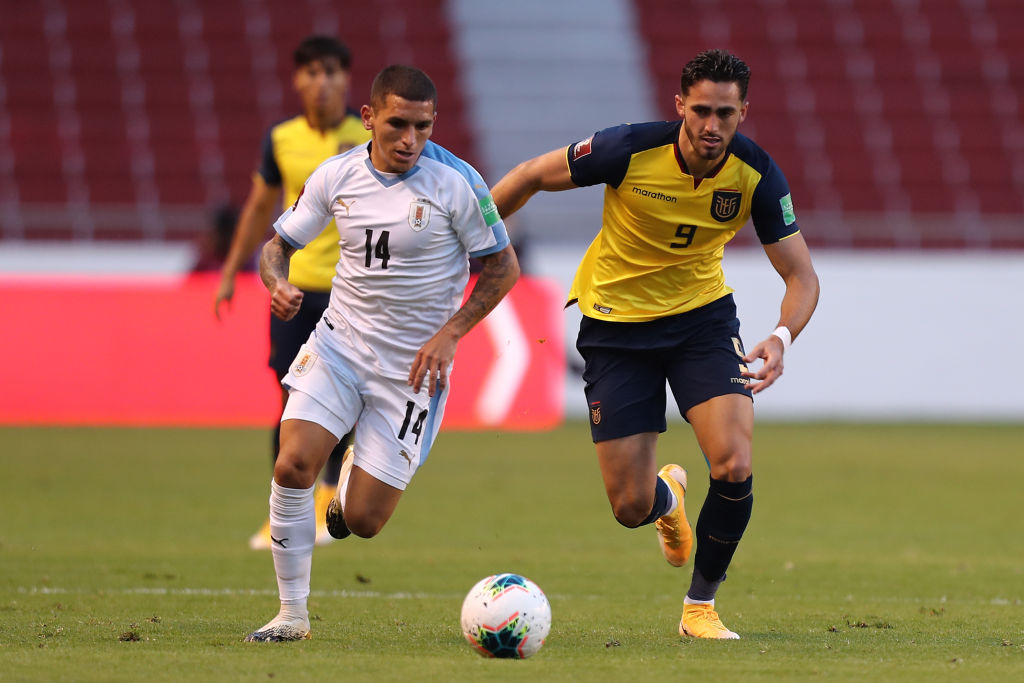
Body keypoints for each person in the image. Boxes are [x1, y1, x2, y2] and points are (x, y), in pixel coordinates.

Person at [490, 49, 819, 640]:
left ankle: (700, 607)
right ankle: (668, 500)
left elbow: (802, 277)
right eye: (700, 111)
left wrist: (781, 335)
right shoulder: (627, 149)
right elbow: (533, 176)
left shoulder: (757, 175)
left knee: (735, 462)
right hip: (616, 329)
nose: (711, 127)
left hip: (702, 324)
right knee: (628, 507)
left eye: (725, 113)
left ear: (743, 111)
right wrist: (477, 236)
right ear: (679, 107)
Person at [244, 64, 520, 642]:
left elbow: (502, 267)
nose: (409, 140)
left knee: (364, 522)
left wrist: (452, 332)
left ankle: (351, 488)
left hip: (412, 372)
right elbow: (277, 247)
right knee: (292, 463)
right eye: (397, 124)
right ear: (368, 117)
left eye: (422, 127)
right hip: (340, 343)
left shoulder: (457, 183)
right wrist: (278, 282)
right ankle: (291, 615)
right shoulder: (336, 175)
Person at [213, 36, 371, 550]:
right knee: (288, 400)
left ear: (346, 79)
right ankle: (283, 511)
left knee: (345, 399)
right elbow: (261, 208)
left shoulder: (370, 135)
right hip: (293, 290)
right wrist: (233, 270)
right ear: (297, 80)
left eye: (331, 71)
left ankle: (329, 497)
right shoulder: (281, 138)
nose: (321, 82)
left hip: (351, 292)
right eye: (311, 72)